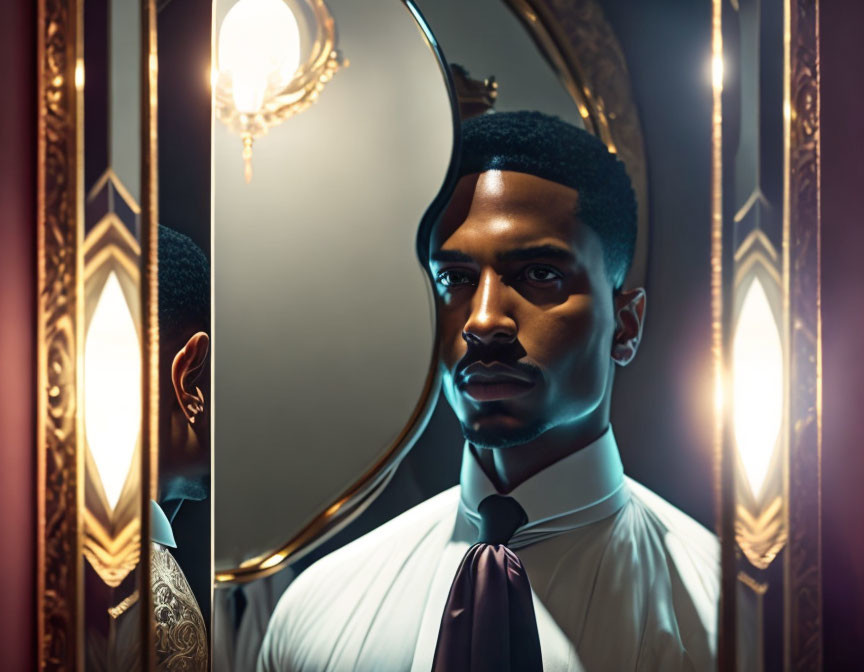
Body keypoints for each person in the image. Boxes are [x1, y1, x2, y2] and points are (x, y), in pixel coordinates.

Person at [257, 111, 751, 671]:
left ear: (626, 324)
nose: (484, 320)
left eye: (540, 273)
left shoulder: (732, 624)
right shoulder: (318, 615)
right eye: (455, 279)